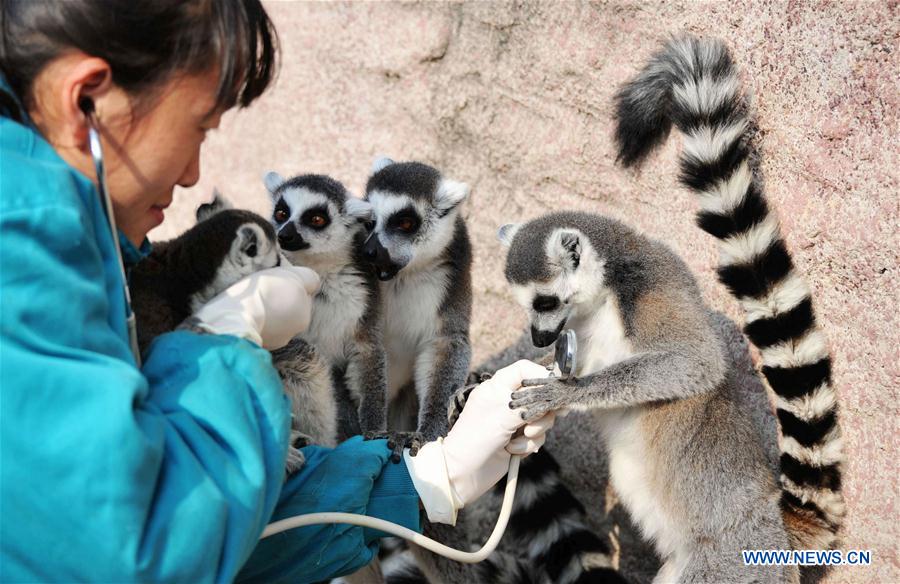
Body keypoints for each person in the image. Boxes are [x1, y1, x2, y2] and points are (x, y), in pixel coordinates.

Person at [0, 2, 556, 582]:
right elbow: (139, 553)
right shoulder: (22, 242)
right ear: (89, 97)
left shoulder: (77, 230)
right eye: (198, 127)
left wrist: (430, 479)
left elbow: (223, 529)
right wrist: (225, 342)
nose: (192, 172)